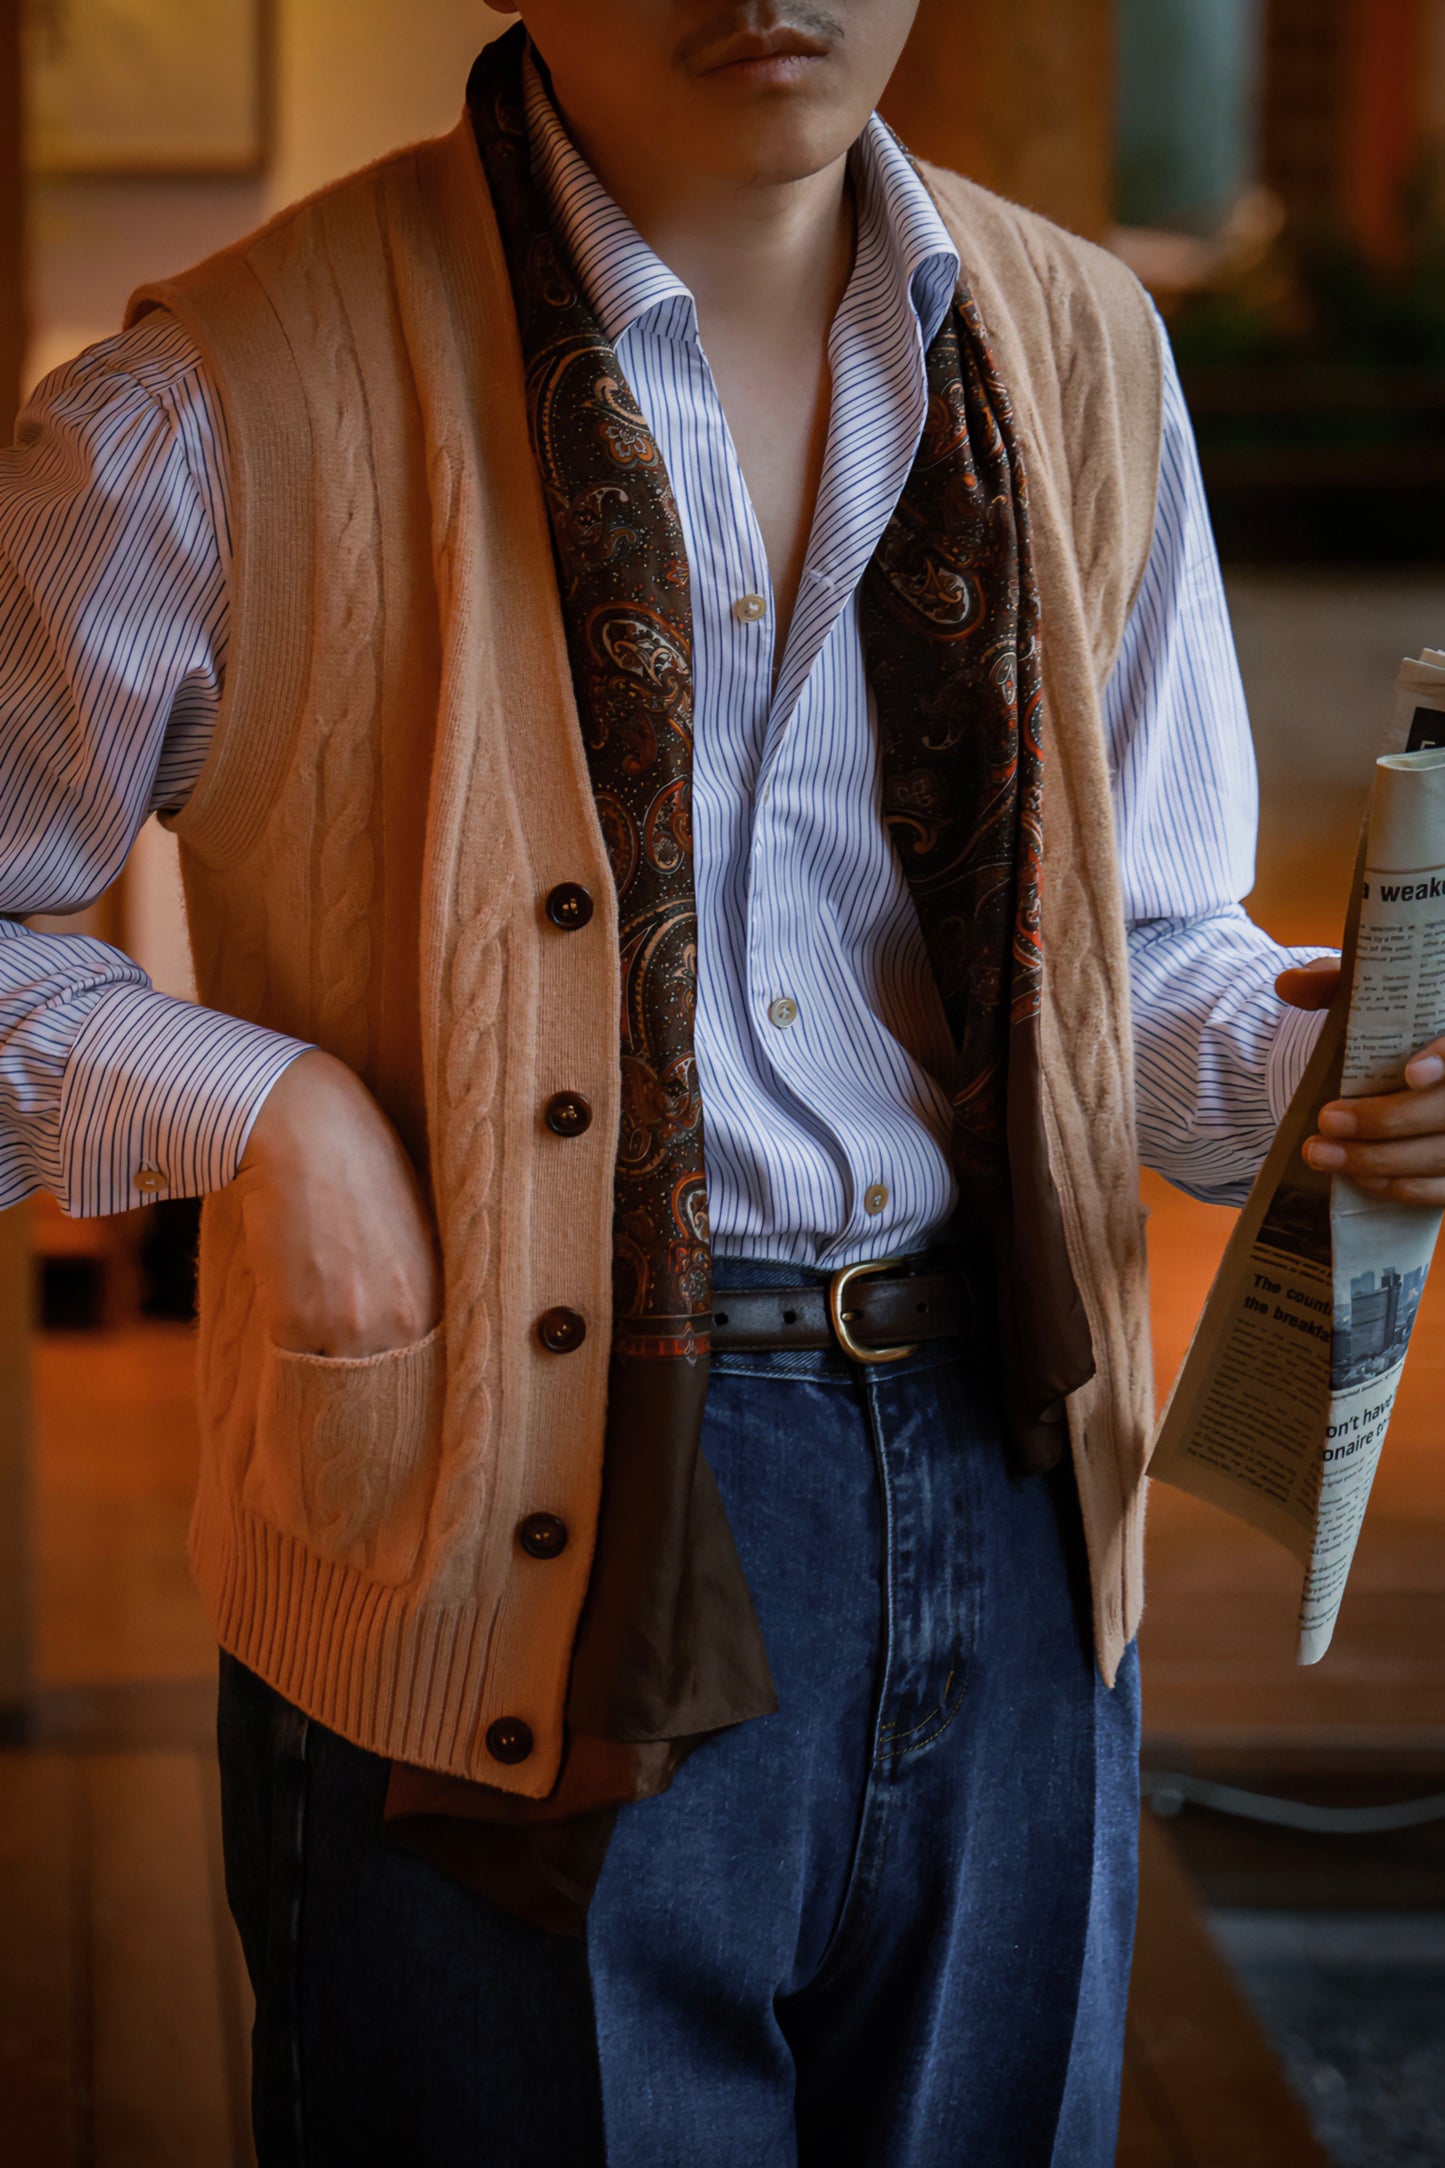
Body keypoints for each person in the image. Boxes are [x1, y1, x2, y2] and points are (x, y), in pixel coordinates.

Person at [3, 5, 1444, 2161]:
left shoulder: (1083, 351)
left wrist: (1331, 1055)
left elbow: (1135, 967)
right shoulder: (216, 392)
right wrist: (269, 1112)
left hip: (1013, 1483)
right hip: (479, 1523)